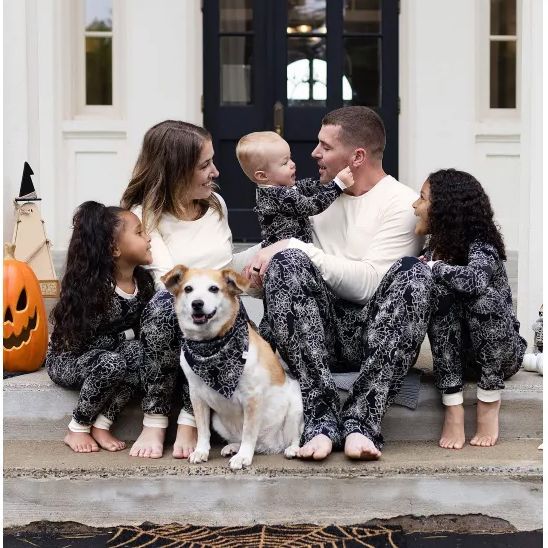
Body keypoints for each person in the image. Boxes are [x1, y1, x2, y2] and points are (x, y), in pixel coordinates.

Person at [245, 106, 432, 461]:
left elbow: (370, 285)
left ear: (357, 156)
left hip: (374, 337)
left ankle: (362, 420)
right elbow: (282, 253)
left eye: (325, 146)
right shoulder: (313, 196)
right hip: (315, 338)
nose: (314, 153)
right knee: (285, 261)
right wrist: (255, 268)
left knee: (415, 274)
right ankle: (320, 419)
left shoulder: (401, 204)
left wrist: (292, 248)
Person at [121, 120, 259, 459]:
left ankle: (189, 416)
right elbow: (166, 281)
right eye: (204, 165)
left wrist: (263, 256)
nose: (215, 171)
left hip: (216, 318)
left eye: (212, 161)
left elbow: (225, 265)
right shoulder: (145, 217)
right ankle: (155, 418)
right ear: (176, 170)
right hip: (166, 324)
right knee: (171, 305)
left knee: (242, 337)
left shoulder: (216, 206)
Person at [413, 169, 526, 449]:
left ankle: (489, 400)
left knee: (481, 296)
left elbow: (475, 280)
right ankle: (452, 405)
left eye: (422, 198)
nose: (414, 206)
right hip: (460, 359)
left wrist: (434, 267)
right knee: (438, 290)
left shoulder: (482, 244)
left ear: (444, 209)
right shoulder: (436, 246)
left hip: (501, 357)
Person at [46, 201, 155, 453]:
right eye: (139, 233)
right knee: (112, 362)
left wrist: (129, 339)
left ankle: (103, 423)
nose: (148, 238)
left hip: (111, 354)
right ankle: (78, 427)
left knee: (139, 354)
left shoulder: (143, 283)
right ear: (115, 248)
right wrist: (127, 335)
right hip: (71, 359)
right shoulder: (97, 293)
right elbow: (85, 345)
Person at [236, 131, 354, 246]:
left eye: (290, 158)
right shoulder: (277, 195)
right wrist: (337, 185)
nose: (292, 164)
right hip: (287, 254)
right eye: (284, 163)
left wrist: (325, 182)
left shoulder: (279, 189)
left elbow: (303, 186)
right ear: (262, 176)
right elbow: (310, 206)